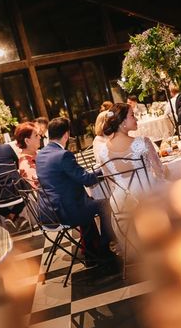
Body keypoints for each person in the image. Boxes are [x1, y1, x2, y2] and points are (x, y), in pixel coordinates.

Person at [36, 118, 117, 270]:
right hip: (66, 212)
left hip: (49, 212)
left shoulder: (41, 154)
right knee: (106, 204)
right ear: (66, 135)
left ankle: (91, 254)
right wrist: (105, 167)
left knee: (89, 201)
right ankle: (104, 248)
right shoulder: (63, 155)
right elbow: (86, 180)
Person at [97, 103, 165, 252]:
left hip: (121, 203)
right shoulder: (143, 142)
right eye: (132, 116)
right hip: (148, 197)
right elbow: (160, 173)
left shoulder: (102, 151)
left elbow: (110, 183)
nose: (136, 119)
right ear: (122, 123)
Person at [15, 122, 41, 189]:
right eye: (36, 135)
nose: (40, 137)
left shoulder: (36, 153)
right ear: (27, 141)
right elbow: (40, 187)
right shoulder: (26, 163)